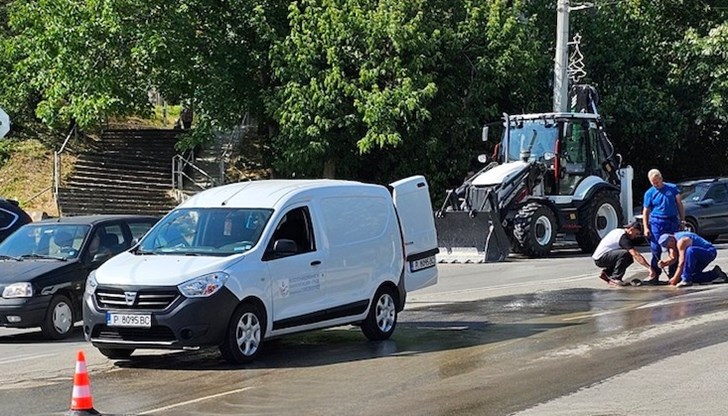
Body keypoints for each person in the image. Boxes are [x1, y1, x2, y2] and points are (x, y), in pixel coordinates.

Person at [642, 169, 685, 283]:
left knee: (674, 247)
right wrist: (646, 227)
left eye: (657, 182)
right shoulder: (649, 193)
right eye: (653, 183)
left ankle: (674, 274)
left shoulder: (672, 188)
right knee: (655, 248)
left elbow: (679, 204)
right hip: (657, 222)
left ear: (661, 179)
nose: (656, 184)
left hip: (671, 221)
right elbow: (646, 211)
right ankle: (655, 275)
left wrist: (682, 220)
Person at [592, 221, 652, 285]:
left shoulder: (620, 231)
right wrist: (649, 267)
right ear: (631, 229)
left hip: (602, 256)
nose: (636, 236)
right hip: (600, 258)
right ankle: (615, 279)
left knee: (629, 258)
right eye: (636, 233)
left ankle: (607, 273)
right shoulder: (623, 238)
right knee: (625, 254)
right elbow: (636, 255)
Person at [658, 232, 728, 287]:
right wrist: (664, 263)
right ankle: (715, 273)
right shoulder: (673, 241)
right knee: (693, 276)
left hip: (709, 252)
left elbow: (682, 262)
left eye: (668, 246)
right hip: (697, 256)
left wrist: (675, 278)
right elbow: (673, 258)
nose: (669, 248)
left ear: (672, 241)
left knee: (690, 251)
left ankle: (686, 280)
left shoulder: (682, 241)